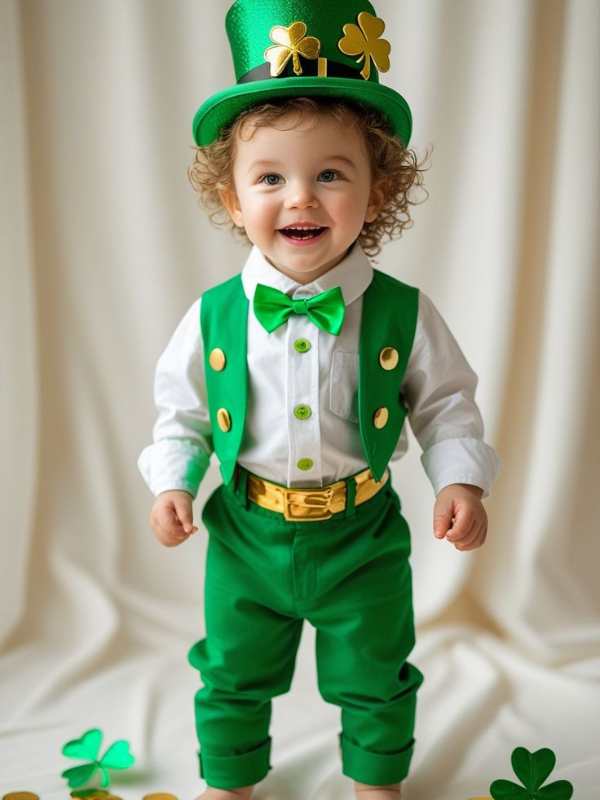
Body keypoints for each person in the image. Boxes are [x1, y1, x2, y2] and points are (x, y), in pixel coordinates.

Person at [138, 1, 500, 798]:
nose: (299, 198)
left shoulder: (403, 312)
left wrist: (460, 479)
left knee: (374, 669)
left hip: (361, 536)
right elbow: (185, 412)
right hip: (245, 535)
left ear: (376, 195)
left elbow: (444, 404)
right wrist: (173, 480)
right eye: (270, 178)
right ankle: (229, 782)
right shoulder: (214, 315)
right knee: (231, 668)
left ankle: (377, 782)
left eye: (330, 175)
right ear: (234, 201)